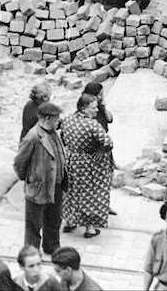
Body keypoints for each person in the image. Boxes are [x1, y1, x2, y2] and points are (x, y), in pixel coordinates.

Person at [14, 101, 66, 255]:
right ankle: (32, 253)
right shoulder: (33, 137)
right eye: (56, 118)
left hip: (55, 185)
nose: (59, 121)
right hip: (38, 187)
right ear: (47, 118)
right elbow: (19, 162)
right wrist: (31, 179)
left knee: (54, 220)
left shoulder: (53, 132)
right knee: (34, 225)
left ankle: (52, 247)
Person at [60, 94, 113, 239]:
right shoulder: (92, 125)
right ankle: (90, 228)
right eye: (94, 108)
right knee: (90, 194)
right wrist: (100, 151)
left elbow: (63, 138)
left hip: (71, 161)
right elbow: (108, 143)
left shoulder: (67, 120)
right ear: (84, 108)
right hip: (89, 164)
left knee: (70, 192)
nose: (96, 111)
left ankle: (70, 221)